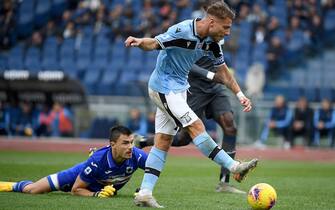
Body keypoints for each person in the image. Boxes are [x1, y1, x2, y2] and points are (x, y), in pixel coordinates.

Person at [125, 1, 258, 208]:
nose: (228, 32)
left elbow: (223, 73)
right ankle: (233, 166)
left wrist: (240, 94)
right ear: (212, 22)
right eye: (226, 27)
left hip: (179, 89)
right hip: (163, 87)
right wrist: (138, 40)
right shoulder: (181, 31)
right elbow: (154, 43)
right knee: (196, 126)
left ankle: (144, 192)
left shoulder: (212, 43)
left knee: (163, 141)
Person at [0, 125, 148, 198]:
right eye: (125, 143)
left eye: (131, 142)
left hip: (98, 183)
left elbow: (154, 168)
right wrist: (96, 195)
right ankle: (10, 185)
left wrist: (145, 189)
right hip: (76, 178)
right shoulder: (97, 161)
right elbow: (75, 190)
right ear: (112, 144)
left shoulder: (136, 155)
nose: (130, 147)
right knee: (33, 190)